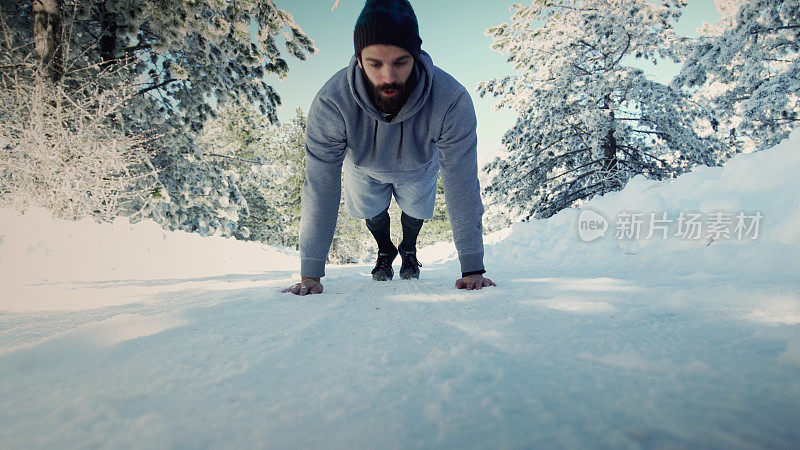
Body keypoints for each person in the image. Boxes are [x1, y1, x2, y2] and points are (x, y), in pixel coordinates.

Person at [283, 0, 496, 296]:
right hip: (362, 168)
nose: (388, 77)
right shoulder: (331, 104)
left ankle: (408, 247)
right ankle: (386, 249)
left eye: (400, 62)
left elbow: (462, 182)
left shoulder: (451, 101)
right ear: (359, 60)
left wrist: (473, 268)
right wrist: (310, 273)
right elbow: (320, 186)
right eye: (375, 63)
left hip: (419, 168)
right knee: (371, 209)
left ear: (416, 56)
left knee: (415, 209)